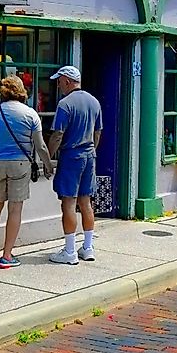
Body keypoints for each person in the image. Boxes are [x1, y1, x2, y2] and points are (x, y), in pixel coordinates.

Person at [0, 76, 54, 270]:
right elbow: (40, 145)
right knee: (15, 210)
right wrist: (48, 164)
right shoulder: (31, 114)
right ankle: (6, 256)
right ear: (21, 91)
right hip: (19, 164)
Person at [46, 65, 103, 265]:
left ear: (68, 81)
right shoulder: (94, 102)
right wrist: (92, 150)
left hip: (71, 155)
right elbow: (97, 132)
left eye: (60, 80)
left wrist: (48, 158)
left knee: (68, 202)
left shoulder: (65, 104)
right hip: (89, 154)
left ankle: (69, 250)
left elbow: (57, 134)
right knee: (85, 201)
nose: (58, 84)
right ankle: (88, 247)